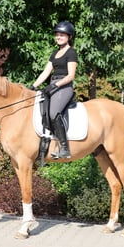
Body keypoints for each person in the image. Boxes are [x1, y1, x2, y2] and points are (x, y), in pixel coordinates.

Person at [29, 21, 78, 159]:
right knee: (41, 109)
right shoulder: (55, 53)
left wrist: (56, 85)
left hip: (64, 86)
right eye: (57, 34)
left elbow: (71, 75)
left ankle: (64, 148)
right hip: (53, 85)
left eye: (62, 35)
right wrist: (34, 86)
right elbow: (46, 72)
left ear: (69, 36)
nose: (59, 37)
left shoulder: (71, 53)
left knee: (53, 113)